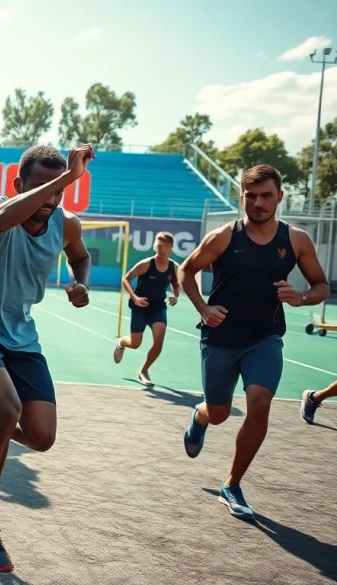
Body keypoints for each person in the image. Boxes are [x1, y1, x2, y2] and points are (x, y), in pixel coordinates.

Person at [0, 145, 95, 573]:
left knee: (41, 437)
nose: (51, 200)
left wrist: (80, 282)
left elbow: (81, 255)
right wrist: (66, 178)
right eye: (42, 188)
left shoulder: (66, 223)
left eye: (58, 192)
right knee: (8, 408)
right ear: (18, 187)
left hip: (21, 336)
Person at [179, 164, 329, 520]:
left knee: (259, 403)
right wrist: (203, 307)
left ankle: (231, 483)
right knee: (217, 413)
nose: (258, 203)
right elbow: (185, 270)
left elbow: (320, 285)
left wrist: (301, 298)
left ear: (280, 196)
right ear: (242, 198)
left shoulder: (296, 240)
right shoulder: (223, 237)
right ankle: (200, 417)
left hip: (265, 337)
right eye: (251, 196)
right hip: (221, 338)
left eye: (266, 195)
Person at [112, 232, 180, 385]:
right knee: (135, 343)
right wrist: (134, 298)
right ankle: (122, 342)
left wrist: (176, 296)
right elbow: (126, 279)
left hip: (158, 307)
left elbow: (176, 283)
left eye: (165, 246)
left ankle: (143, 371)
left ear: (171, 248)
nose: (161, 248)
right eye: (158, 245)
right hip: (140, 306)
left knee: (159, 339)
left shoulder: (174, 267)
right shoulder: (146, 264)